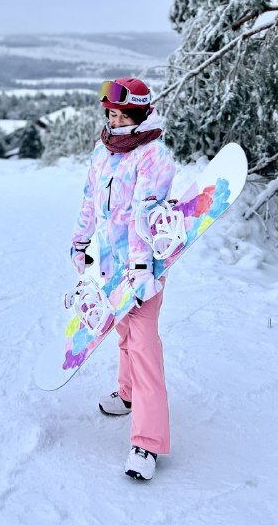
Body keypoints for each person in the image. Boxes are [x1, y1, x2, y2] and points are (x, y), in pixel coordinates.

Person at [71, 78, 175, 481]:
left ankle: (147, 443)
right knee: (125, 334)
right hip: (111, 267)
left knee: (145, 345)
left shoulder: (154, 157)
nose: (112, 121)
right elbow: (89, 201)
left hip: (143, 268)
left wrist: (141, 270)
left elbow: (143, 218)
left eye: (118, 114)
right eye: (109, 114)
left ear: (137, 113)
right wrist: (80, 243)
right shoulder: (103, 151)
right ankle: (128, 393)